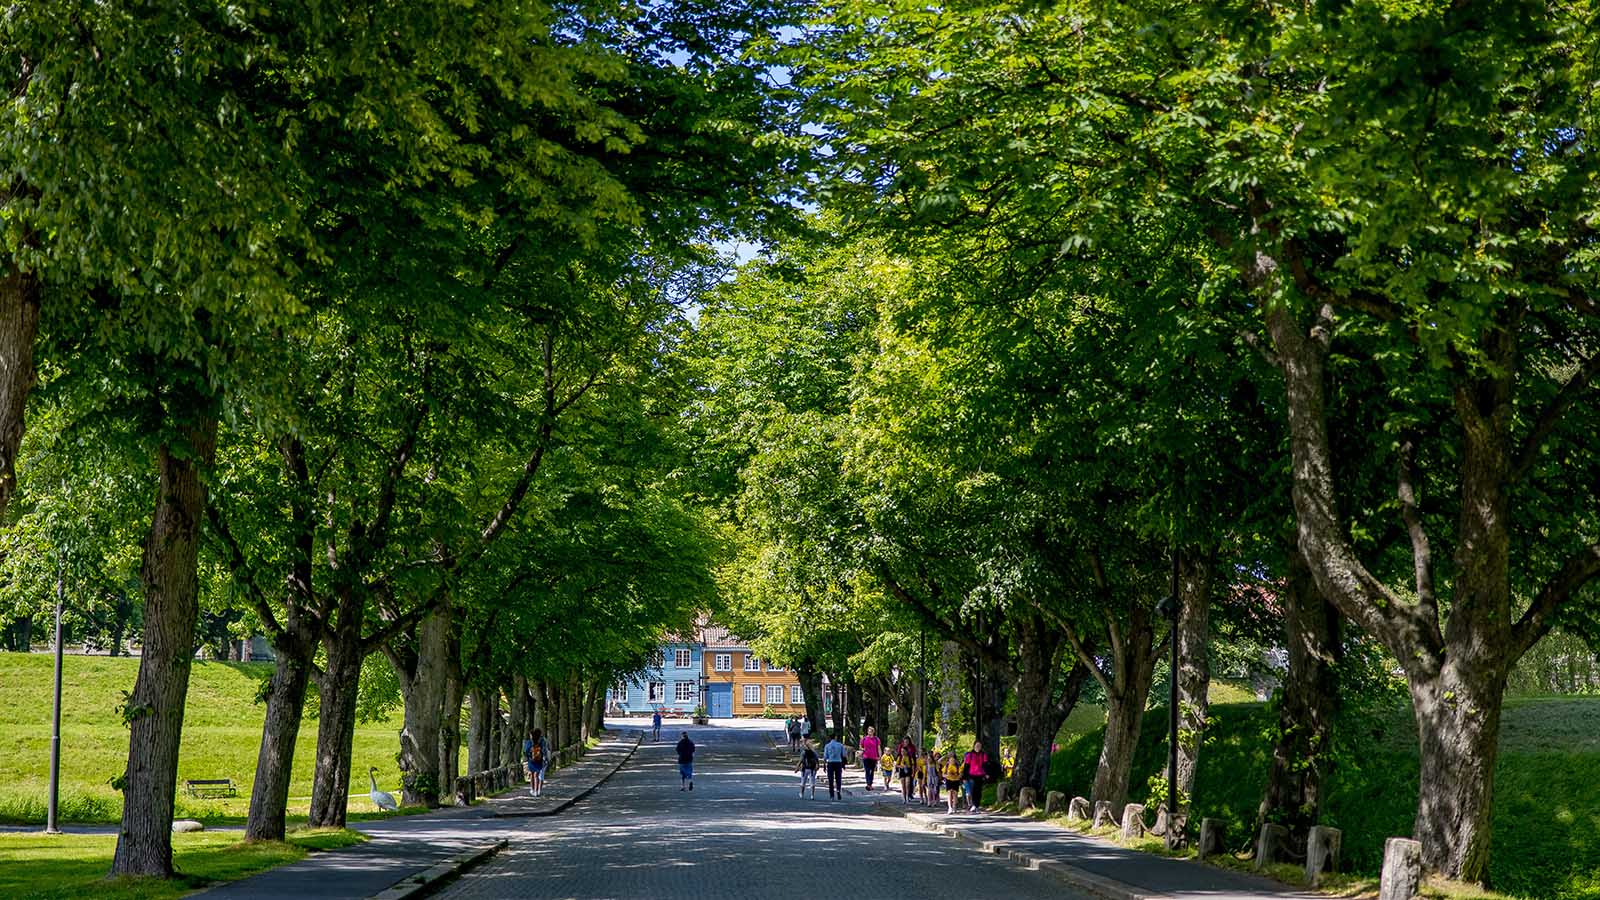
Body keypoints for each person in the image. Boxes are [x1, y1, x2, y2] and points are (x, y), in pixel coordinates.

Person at [963, 740, 989, 813]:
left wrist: (986, 774)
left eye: (979, 746)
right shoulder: (969, 755)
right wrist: (964, 777)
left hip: (980, 775)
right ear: (974, 746)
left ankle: (976, 805)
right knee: (973, 790)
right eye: (977, 746)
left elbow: (985, 765)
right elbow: (966, 766)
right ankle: (973, 804)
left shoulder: (983, 755)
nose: (978, 747)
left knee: (978, 791)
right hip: (971, 775)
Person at [523, 727, 550, 797]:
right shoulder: (542, 741)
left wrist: (528, 756)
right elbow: (544, 750)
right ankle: (537, 791)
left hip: (531, 760)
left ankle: (532, 789)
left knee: (532, 775)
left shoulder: (529, 742)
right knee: (537, 775)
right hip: (539, 760)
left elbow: (525, 751)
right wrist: (545, 758)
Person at [823, 730, 847, 800]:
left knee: (831, 779)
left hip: (830, 762)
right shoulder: (840, 745)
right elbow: (844, 755)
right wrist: (844, 763)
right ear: (835, 737)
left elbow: (825, 756)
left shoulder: (827, 746)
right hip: (838, 762)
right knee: (838, 778)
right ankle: (838, 790)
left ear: (830, 738)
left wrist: (824, 765)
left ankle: (832, 795)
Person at [894, 736, 917, 803]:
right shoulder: (900, 756)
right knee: (903, 785)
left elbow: (913, 763)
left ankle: (908, 796)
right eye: (905, 741)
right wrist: (899, 767)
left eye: (907, 741)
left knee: (908, 783)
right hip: (902, 771)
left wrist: (913, 771)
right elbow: (896, 764)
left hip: (908, 770)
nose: (902, 752)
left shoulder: (910, 755)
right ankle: (904, 797)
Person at [859, 726, 882, 792]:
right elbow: (860, 746)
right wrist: (863, 749)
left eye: (871, 731)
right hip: (866, 757)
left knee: (872, 771)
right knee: (867, 770)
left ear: (873, 732)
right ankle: (868, 784)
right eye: (868, 731)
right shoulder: (864, 739)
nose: (869, 733)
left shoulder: (876, 739)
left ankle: (870, 784)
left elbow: (878, 748)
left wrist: (880, 756)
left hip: (874, 757)